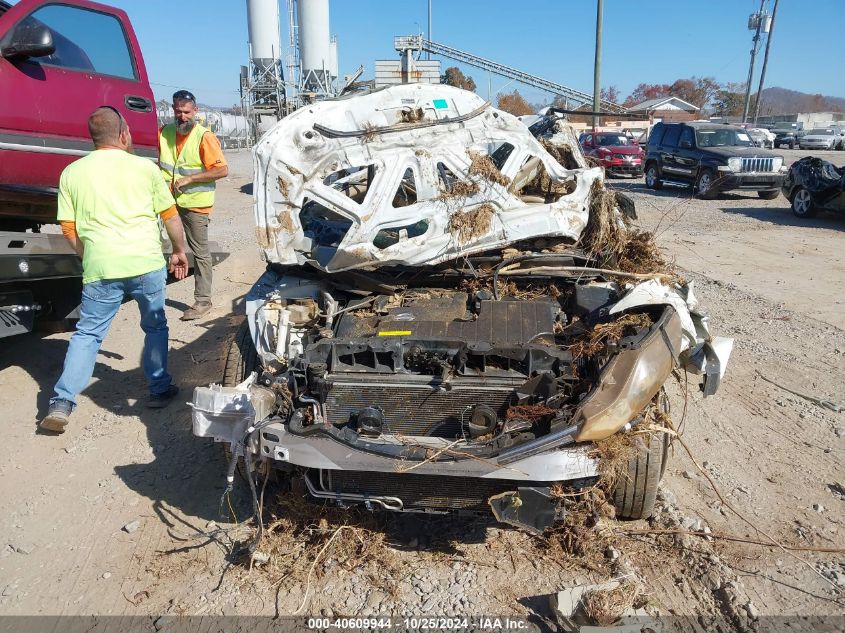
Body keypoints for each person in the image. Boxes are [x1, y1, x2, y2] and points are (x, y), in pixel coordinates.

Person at [39, 106, 190, 435]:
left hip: (101, 267)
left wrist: (88, 254)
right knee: (155, 327)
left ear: (92, 138)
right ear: (124, 135)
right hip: (145, 264)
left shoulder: (72, 173)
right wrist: (179, 251)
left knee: (88, 334)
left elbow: (68, 227)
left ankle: (62, 402)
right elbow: (171, 217)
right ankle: (159, 388)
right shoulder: (145, 169)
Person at [158, 89, 228, 321]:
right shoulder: (165, 133)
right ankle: (154, 292)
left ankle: (202, 301)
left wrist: (190, 179)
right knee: (163, 246)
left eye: (187, 112)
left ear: (195, 111)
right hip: (169, 202)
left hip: (196, 205)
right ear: (173, 110)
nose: (182, 116)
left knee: (200, 252)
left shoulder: (203, 137)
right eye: (178, 112)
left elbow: (221, 169)